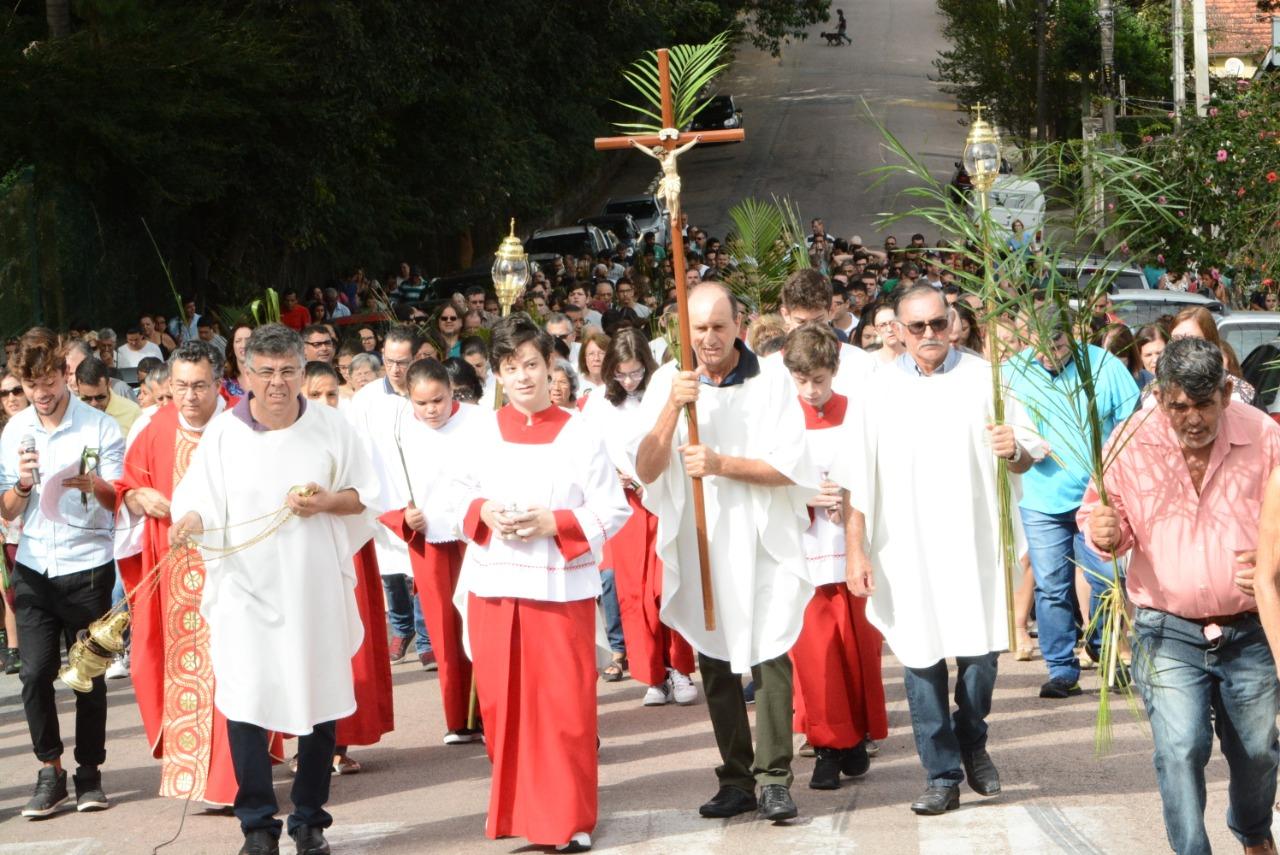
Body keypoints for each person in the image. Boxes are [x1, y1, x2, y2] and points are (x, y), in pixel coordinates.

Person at [169, 324, 378, 855]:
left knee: (320, 695)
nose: (278, 383)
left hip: (312, 588)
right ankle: (257, 825)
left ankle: (309, 819)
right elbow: (197, 499)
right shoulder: (223, 433)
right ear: (245, 376)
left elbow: (365, 497)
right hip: (245, 591)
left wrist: (325, 502)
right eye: (265, 373)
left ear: (303, 373)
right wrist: (188, 519)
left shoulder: (333, 426)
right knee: (245, 698)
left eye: (288, 371)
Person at [837, 285, 1037, 815]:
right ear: (897, 331)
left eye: (938, 324)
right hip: (906, 549)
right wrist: (855, 552)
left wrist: (1012, 447)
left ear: (953, 323)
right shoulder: (876, 389)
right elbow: (857, 481)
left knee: (982, 656)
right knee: (920, 657)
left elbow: (1026, 451)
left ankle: (972, 736)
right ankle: (942, 773)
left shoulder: (986, 379)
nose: (930, 336)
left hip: (975, 544)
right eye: (918, 327)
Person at [1082, 338, 1280, 855]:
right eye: (1179, 406)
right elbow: (1105, 520)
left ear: (1225, 392)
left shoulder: (1262, 435)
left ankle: (1254, 831)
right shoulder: (1129, 441)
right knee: (1179, 746)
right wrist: (1105, 530)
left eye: (1205, 404)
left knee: (1257, 751)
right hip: (1165, 627)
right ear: (1160, 395)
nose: (1193, 419)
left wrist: (1273, 560)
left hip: (1249, 627)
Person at [634, 282, 812, 823]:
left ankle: (775, 777)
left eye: (718, 326)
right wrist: (672, 407)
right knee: (713, 656)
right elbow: (645, 468)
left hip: (761, 537)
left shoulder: (773, 380)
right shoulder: (669, 380)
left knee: (770, 650)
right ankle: (735, 777)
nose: (708, 339)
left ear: (740, 323)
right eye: (698, 328)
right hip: (702, 537)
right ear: (681, 330)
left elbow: (789, 467)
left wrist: (720, 464)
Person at [454, 315, 630, 853]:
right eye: (511, 367)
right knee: (504, 710)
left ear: (551, 364)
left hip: (559, 589)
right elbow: (452, 497)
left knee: (561, 708)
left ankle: (568, 819)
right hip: (496, 586)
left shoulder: (580, 431)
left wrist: (557, 523)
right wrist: (486, 512)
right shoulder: (479, 429)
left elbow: (613, 506)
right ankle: (518, 814)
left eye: (532, 364)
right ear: (499, 376)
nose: (524, 376)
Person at [113, 341, 278, 807]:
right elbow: (128, 486)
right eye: (180, 386)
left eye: (200, 386)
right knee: (187, 671)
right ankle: (193, 775)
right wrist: (138, 498)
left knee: (236, 671)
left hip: (235, 571)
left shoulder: (245, 425)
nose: (189, 397)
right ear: (169, 384)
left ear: (219, 381)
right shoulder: (154, 428)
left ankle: (235, 780)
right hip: (175, 581)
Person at [1, 328, 125, 817]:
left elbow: (119, 498)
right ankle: (49, 770)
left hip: (88, 564)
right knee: (33, 675)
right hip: (33, 565)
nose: (42, 393)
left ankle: (89, 774)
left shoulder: (99, 426)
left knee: (87, 675)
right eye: (31, 386)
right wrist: (25, 486)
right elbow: (7, 510)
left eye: (49, 380)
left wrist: (95, 485)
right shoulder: (14, 432)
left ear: (64, 373)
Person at [1004, 305, 1139, 699]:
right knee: (1050, 586)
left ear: (1073, 334)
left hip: (1097, 495)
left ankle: (1107, 652)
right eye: (1039, 345)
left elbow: (1132, 422)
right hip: (1041, 496)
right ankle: (1062, 668)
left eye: (1058, 343)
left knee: (1105, 581)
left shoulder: (1103, 367)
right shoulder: (1014, 372)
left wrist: (1112, 471)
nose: (1048, 353)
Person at [779, 323, 887, 790]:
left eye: (819, 380)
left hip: (851, 548)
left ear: (835, 371)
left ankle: (856, 738)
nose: (811, 391)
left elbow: (876, 474)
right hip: (804, 551)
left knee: (857, 649)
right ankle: (825, 747)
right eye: (801, 381)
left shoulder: (858, 413)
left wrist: (853, 500)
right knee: (816, 653)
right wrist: (805, 497)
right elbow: (772, 478)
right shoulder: (782, 419)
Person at [581, 329, 697, 706]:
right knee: (632, 592)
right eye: (621, 374)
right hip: (625, 504)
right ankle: (652, 674)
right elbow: (591, 453)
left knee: (668, 584)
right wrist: (611, 476)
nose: (629, 381)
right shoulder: (598, 402)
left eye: (635, 373)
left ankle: (680, 667)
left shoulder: (663, 393)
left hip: (662, 496)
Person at [378, 359, 481, 743]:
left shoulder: (479, 422)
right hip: (429, 542)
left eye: (438, 400)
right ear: (409, 399)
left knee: (479, 623)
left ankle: (489, 711)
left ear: (452, 392)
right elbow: (383, 488)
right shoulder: (399, 430)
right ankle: (459, 717)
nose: (431, 410)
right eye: (421, 404)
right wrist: (405, 515)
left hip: (474, 536)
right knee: (442, 627)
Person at [301, 361, 394, 775]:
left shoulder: (350, 434)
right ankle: (300, 740)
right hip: (301, 554)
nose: (325, 402)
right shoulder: (283, 437)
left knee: (348, 642)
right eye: (315, 394)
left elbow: (371, 491)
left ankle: (339, 740)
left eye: (331, 394)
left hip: (349, 546)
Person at [347, 326, 433, 667]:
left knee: (422, 569)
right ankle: (401, 628)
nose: (396, 369)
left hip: (421, 497)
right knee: (391, 569)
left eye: (403, 361)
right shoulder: (366, 400)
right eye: (389, 361)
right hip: (382, 496)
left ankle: (427, 637)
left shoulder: (426, 393)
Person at [0, 370, 28, 676]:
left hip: (38, 521)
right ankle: (14, 647)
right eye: (4, 393)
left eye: (16, 391)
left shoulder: (39, 425)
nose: (11, 398)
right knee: (10, 588)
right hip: (7, 521)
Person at [75, 357, 142, 438]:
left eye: (100, 397)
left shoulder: (132, 412)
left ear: (109, 384)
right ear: (77, 387)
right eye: (87, 399)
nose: (93, 404)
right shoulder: (71, 413)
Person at [223, 324, 254, 399]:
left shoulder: (268, 378)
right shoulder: (224, 382)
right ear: (232, 347)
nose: (243, 345)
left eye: (248, 340)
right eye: (238, 341)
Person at [577, 332, 609, 400]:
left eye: (601, 353)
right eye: (591, 354)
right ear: (584, 358)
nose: (596, 358)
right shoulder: (575, 385)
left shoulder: (618, 384)